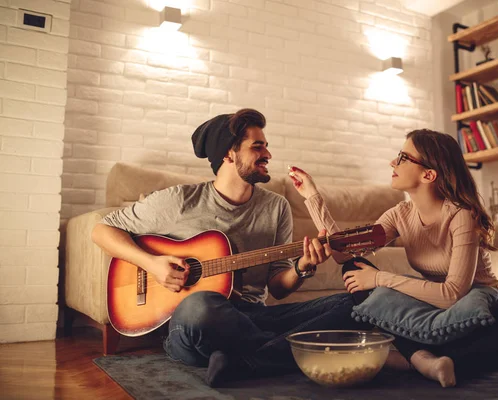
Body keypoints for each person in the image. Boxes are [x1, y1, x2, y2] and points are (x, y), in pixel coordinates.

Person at [92, 109, 364, 387]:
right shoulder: (178, 200)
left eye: (267, 146)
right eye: (257, 147)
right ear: (228, 154)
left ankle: (248, 360)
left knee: (357, 302)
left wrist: (302, 268)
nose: (268, 154)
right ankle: (287, 349)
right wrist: (151, 263)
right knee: (200, 305)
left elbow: (279, 287)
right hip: (194, 323)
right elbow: (102, 230)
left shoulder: (276, 206)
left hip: (254, 315)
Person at [288, 128, 498, 388]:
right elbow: (345, 252)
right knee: (354, 268)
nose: (392, 162)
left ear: (428, 174)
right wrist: (313, 196)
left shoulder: (461, 215)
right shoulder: (399, 214)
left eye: (402, 157)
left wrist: (379, 278)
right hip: (430, 310)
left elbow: (454, 294)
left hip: (476, 309)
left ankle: (412, 359)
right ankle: (426, 361)